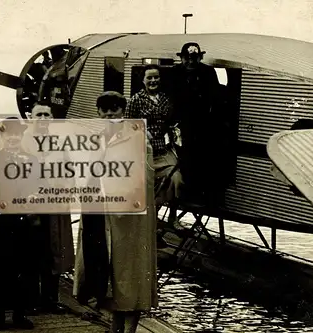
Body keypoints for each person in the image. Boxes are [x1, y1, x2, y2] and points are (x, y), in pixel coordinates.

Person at [74, 91, 158, 333]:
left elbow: (144, 177)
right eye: (105, 110)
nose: (110, 114)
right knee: (108, 270)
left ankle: (130, 329)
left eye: (116, 110)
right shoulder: (97, 139)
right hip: (102, 215)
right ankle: (115, 325)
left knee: (131, 271)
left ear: (124, 112)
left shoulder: (138, 137)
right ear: (98, 113)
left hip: (129, 219)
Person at [0, 116, 36, 330]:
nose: (13, 138)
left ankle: (19, 315)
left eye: (16, 134)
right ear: (2, 136)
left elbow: (41, 187)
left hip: (23, 225)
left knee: (23, 270)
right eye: (8, 134)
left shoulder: (32, 160)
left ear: (21, 136)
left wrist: (34, 198)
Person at [22, 104, 75, 314]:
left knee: (54, 253)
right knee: (31, 253)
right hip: (30, 209)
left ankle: (50, 300)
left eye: (46, 114)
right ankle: (31, 300)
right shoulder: (23, 143)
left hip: (54, 207)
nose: (43, 118)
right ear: (30, 118)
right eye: (38, 114)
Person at [125, 63, 183, 230]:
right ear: (143, 80)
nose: (153, 80)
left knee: (176, 179)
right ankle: (153, 219)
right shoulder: (136, 100)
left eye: (156, 77)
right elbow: (128, 126)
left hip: (164, 150)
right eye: (149, 77)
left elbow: (172, 122)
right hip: (145, 151)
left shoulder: (165, 99)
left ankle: (173, 218)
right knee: (150, 185)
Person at [170, 42, 222, 207]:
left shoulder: (208, 72)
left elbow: (215, 97)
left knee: (201, 159)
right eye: (187, 58)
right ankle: (182, 198)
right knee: (181, 160)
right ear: (182, 58)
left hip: (202, 125)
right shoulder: (174, 73)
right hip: (180, 124)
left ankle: (198, 197)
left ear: (200, 57)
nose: (191, 62)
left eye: (194, 58)